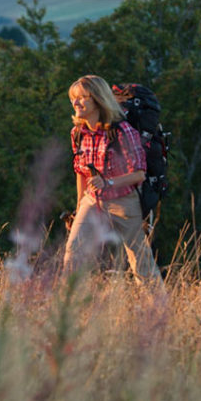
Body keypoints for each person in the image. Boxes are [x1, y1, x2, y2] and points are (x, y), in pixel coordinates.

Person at [63, 75, 161, 284]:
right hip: (92, 199)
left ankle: (159, 308)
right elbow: (81, 172)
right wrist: (80, 207)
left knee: (140, 261)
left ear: (97, 99)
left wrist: (108, 182)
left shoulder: (122, 131)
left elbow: (139, 174)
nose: (76, 102)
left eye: (82, 97)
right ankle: (67, 308)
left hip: (124, 200)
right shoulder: (78, 133)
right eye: (74, 98)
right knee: (73, 252)